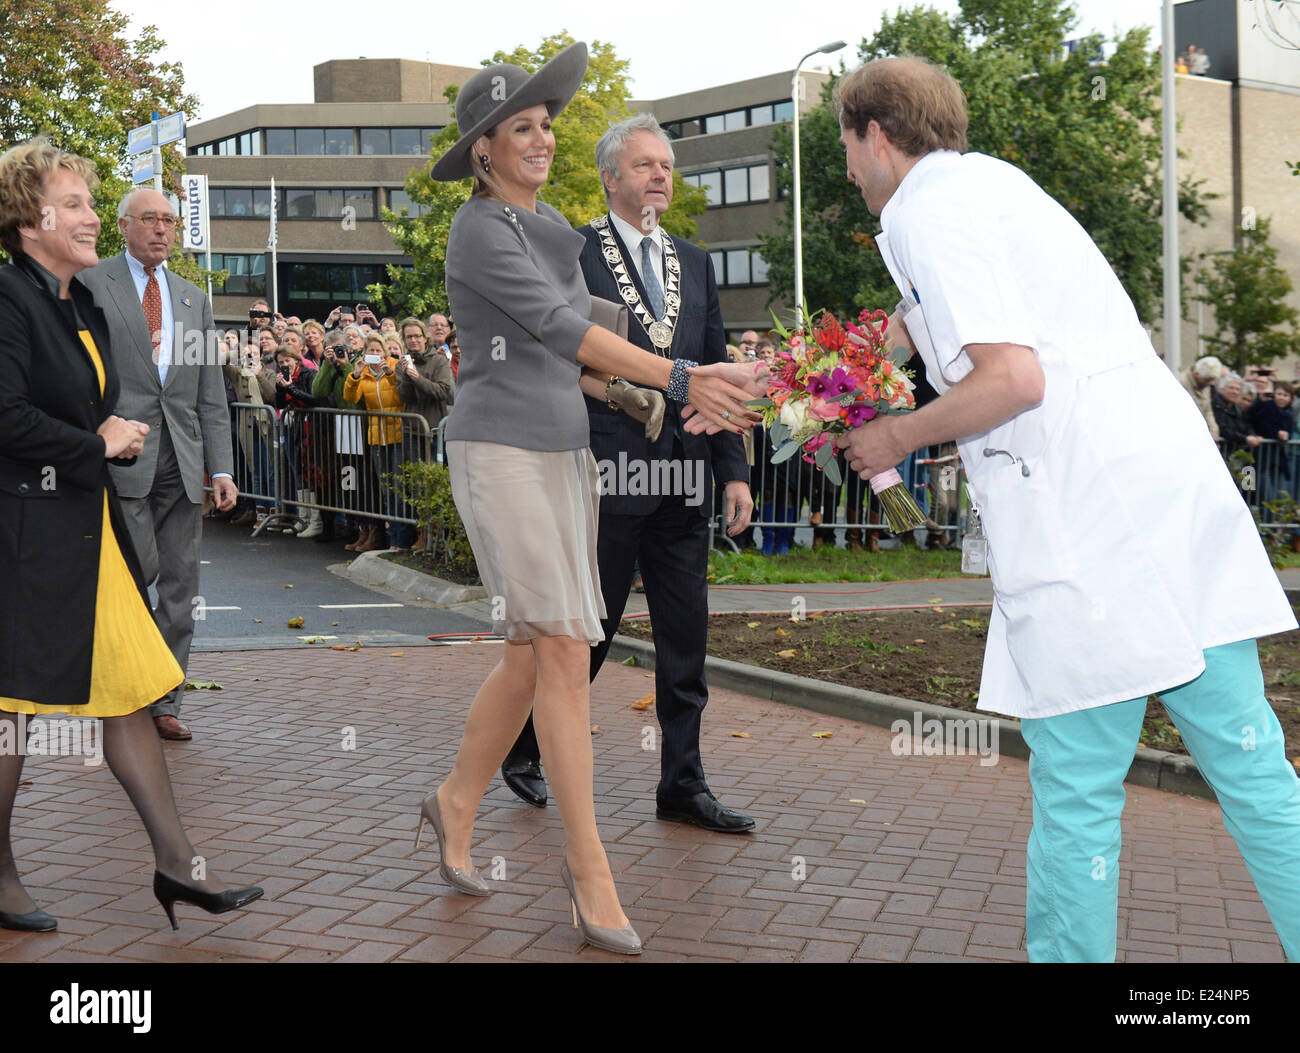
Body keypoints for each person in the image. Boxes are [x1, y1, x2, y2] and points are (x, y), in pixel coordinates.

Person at [825, 56, 1300, 963]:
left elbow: (1013, 377)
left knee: (1079, 793)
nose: (848, 170)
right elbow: (943, 325)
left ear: (875, 135)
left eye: (846, 146)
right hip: (1166, 499)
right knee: (1253, 770)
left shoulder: (924, 211)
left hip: (1090, 527)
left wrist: (894, 438)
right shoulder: (992, 187)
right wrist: (833, 369)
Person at [426, 43, 757, 955]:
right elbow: (561, 327)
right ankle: (589, 871)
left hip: (570, 455)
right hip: (502, 455)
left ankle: (455, 800)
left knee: (534, 655)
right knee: (569, 650)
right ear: (484, 150)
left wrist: (639, 394)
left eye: (545, 125)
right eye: (521, 129)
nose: (540, 139)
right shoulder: (481, 226)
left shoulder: (556, 229)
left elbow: (572, 363)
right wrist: (683, 375)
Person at [0, 138, 263, 933]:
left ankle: (179, 868)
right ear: (28, 216)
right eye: (74, 204)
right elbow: (6, 417)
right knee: (12, 711)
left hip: (91, 532)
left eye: (88, 202)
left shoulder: (74, 302)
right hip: (29, 538)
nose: (89, 217)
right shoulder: (8, 298)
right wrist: (99, 442)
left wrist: (102, 428)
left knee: (130, 699)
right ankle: (0, 873)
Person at [498, 112, 756, 834]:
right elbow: (553, 352)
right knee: (591, 628)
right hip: (607, 470)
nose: (660, 177)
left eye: (666, 167)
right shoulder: (572, 250)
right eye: (645, 165)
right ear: (611, 176)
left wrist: (733, 472)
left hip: (686, 475)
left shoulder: (696, 263)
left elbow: (716, 373)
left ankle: (683, 782)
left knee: (686, 635)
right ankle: (524, 746)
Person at [79, 187, 236, 743]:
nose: (162, 229)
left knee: (179, 586)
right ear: (123, 225)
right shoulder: (92, 284)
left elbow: (210, 393)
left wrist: (222, 468)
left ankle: (165, 699)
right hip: (121, 456)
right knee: (131, 575)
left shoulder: (193, 298)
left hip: (183, 459)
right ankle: (120, 689)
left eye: (170, 220)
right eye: (150, 219)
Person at [343, 331, 412, 551]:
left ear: (384, 351)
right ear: (365, 353)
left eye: (378, 350)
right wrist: (354, 375)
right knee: (386, 489)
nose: (374, 353)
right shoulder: (362, 373)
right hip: (376, 437)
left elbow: (403, 395)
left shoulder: (394, 365)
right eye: (370, 350)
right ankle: (394, 540)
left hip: (399, 434)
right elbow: (351, 398)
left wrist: (390, 373)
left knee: (400, 487)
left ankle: (403, 540)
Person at [1180, 354, 1223, 440]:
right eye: (1207, 380)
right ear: (1196, 374)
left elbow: (1208, 411)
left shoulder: (1204, 386)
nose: (1209, 383)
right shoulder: (1180, 383)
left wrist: (1214, 433)